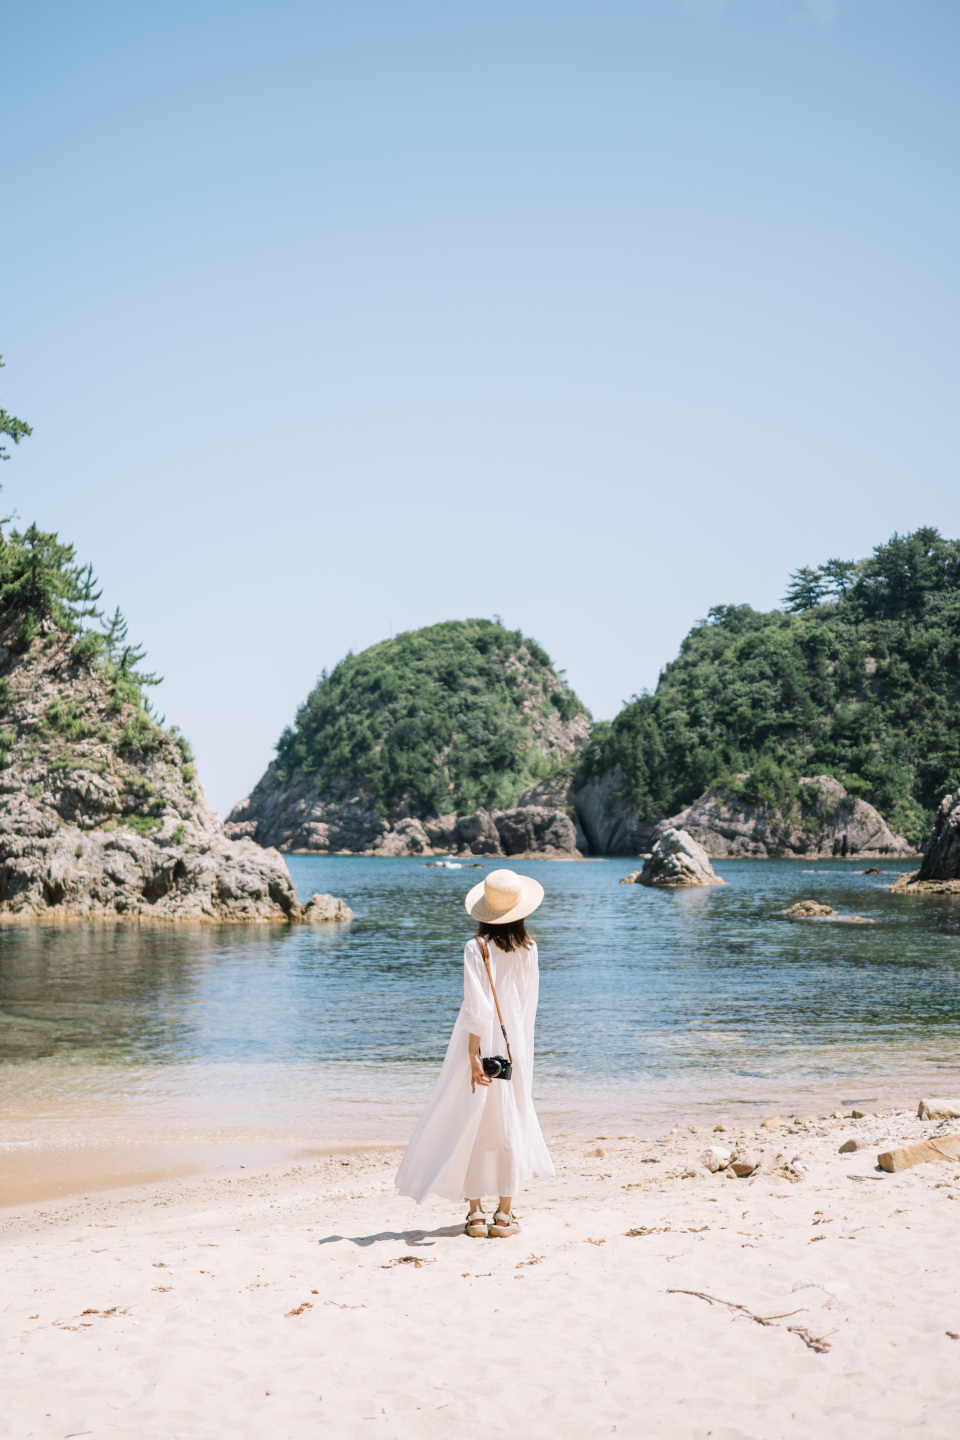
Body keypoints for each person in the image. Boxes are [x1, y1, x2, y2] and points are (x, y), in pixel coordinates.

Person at [395, 868, 555, 1238]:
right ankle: (505, 1214)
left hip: (478, 1041)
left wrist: (472, 1056)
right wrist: (522, 1048)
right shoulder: (530, 948)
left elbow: (476, 1008)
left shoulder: (476, 948)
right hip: (515, 1043)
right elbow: (529, 1004)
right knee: (510, 1120)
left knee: (472, 1119)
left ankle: (476, 1215)